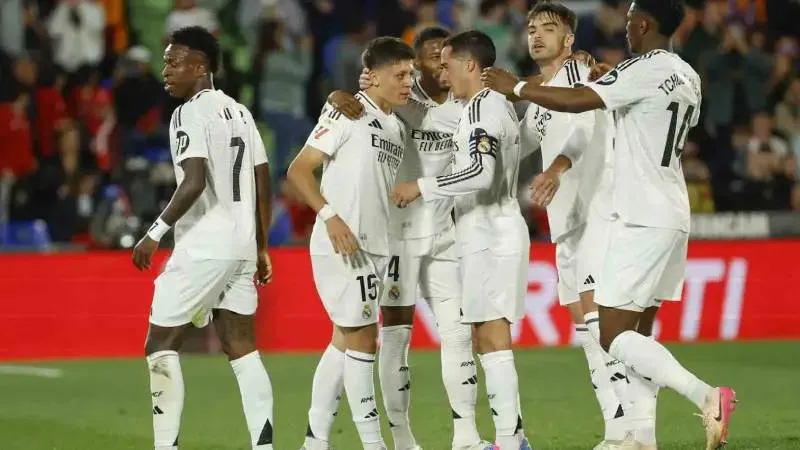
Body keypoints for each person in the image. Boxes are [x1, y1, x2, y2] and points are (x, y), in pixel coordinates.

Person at [482, 1, 737, 449]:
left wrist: (517, 87)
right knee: (635, 335)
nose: (625, 27)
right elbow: (643, 115)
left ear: (645, 23)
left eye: (630, 19)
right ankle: (640, 438)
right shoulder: (688, 75)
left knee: (611, 333)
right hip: (671, 211)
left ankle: (706, 396)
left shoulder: (637, 68)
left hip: (635, 214)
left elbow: (578, 106)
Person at [328, 26, 493, 450]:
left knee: (458, 333)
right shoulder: (399, 99)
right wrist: (337, 94)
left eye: (445, 56)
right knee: (396, 335)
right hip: (397, 236)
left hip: (443, 233)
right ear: (415, 64)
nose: (440, 63)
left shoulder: (468, 108)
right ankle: (403, 439)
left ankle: (466, 437)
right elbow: (359, 102)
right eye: (431, 57)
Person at [132, 26, 275, 450]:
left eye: (173, 62)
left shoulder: (189, 113)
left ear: (200, 66)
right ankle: (264, 446)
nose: (165, 70)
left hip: (205, 244)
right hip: (242, 244)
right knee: (241, 345)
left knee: (160, 343)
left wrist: (154, 232)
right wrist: (261, 246)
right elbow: (262, 182)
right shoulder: (241, 112)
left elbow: (193, 182)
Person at [391, 30, 532, 450]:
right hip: (487, 231)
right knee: (487, 338)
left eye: (448, 63)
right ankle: (510, 438)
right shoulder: (482, 106)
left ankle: (510, 440)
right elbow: (428, 118)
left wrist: (422, 186)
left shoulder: (482, 109)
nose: (442, 71)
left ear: (469, 65)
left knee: (493, 338)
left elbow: (480, 173)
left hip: (490, 232)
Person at [513, 3, 634, 449]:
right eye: (531, 28)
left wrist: (556, 168)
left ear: (569, 40)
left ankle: (635, 427)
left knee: (602, 325)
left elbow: (583, 129)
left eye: (548, 28)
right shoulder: (539, 96)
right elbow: (516, 144)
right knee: (586, 331)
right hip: (565, 220)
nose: (536, 35)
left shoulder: (580, 75)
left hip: (597, 211)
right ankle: (617, 428)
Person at [286, 36, 414, 450]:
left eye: (410, 74)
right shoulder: (346, 112)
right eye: (400, 74)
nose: (408, 82)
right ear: (371, 77)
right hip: (343, 243)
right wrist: (330, 217)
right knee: (363, 340)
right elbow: (299, 169)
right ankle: (373, 444)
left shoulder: (396, 126)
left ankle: (315, 440)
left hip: (375, 246)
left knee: (344, 340)